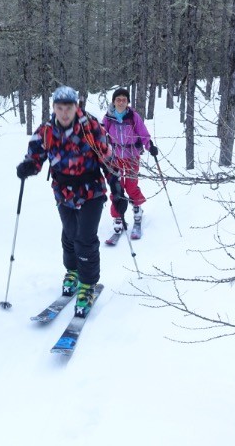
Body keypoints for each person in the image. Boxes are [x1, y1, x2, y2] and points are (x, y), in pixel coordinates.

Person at [15, 86, 127, 317]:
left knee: (84, 238)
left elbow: (109, 159)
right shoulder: (46, 131)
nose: (64, 113)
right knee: (69, 233)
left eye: (69, 108)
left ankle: (87, 285)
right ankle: (73, 271)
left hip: (91, 190)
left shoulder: (90, 127)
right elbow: (36, 157)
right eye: (60, 108)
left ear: (76, 107)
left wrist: (117, 191)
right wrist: (29, 167)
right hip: (63, 191)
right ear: (54, 108)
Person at [101, 87, 159, 244]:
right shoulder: (108, 118)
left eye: (124, 100)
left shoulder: (133, 117)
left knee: (131, 186)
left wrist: (150, 146)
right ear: (114, 101)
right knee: (117, 188)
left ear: (127, 102)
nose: (121, 102)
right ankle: (118, 219)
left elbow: (144, 134)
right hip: (114, 158)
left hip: (132, 156)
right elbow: (99, 135)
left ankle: (137, 211)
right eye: (118, 99)